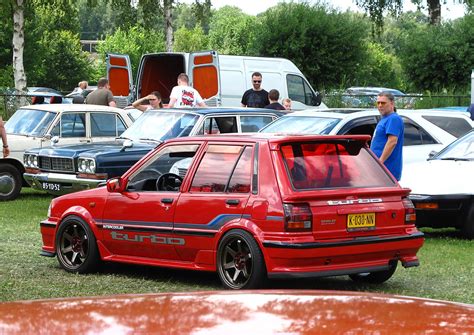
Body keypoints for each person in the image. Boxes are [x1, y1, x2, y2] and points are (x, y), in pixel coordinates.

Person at [370, 92, 404, 181]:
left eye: (383, 103)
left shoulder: (393, 118)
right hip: (380, 169)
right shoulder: (385, 119)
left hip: (386, 170)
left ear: (392, 103)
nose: (380, 105)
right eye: (378, 103)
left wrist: (380, 161)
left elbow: (392, 141)